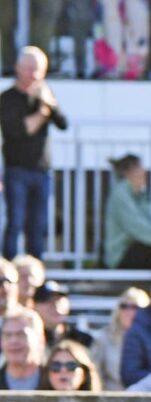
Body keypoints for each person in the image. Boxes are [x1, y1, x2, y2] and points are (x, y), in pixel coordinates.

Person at [1, 48, 66, 260]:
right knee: (15, 222)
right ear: (18, 68)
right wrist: (42, 113)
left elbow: (63, 123)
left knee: (38, 226)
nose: (34, 75)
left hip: (42, 170)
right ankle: (7, 272)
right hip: (16, 169)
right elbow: (20, 131)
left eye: (38, 70)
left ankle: (36, 274)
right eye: (29, 69)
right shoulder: (7, 99)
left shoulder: (45, 94)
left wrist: (48, 103)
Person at [96, 287, 148, 391]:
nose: (128, 311)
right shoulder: (104, 337)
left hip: (147, 397)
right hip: (112, 398)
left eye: (134, 307)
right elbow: (95, 372)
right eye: (124, 306)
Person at [33, 282, 90, 349]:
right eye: (47, 301)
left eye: (59, 300)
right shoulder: (30, 339)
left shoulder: (83, 340)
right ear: (34, 306)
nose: (55, 306)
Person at [2, 304, 43, 389]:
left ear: (40, 339)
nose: (13, 341)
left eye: (21, 334)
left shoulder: (55, 381)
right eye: (7, 335)